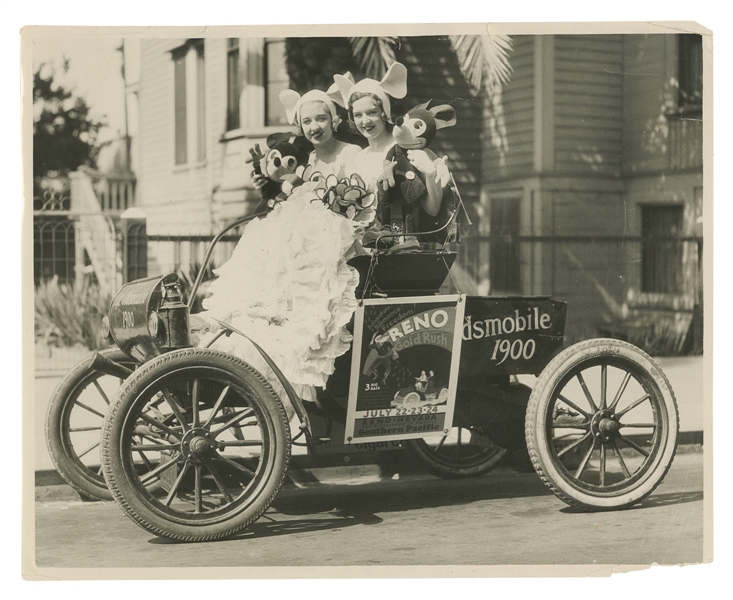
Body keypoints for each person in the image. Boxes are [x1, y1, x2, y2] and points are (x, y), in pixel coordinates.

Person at [196, 87, 370, 404]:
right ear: (300, 126)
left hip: (338, 233)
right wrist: (272, 190)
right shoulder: (306, 158)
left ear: (334, 120)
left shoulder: (352, 153)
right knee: (267, 245)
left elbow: (358, 202)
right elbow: (288, 195)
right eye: (307, 121)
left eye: (321, 118)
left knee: (310, 263)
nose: (315, 127)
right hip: (303, 234)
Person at [333, 63, 450, 248]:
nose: (365, 121)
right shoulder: (358, 158)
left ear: (384, 112)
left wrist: (430, 174)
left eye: (372, 112)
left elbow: (432, 209)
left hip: (402, 245)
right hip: (365, 246)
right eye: (358, 115)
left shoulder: (404, 149)